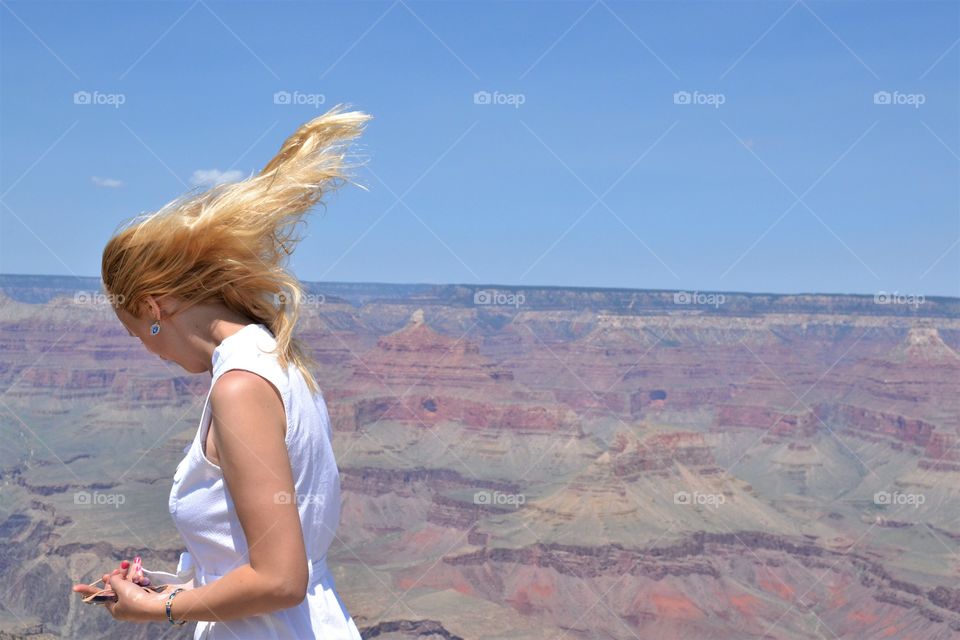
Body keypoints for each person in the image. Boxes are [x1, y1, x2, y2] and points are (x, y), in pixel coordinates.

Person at [72, 104, 371, 639]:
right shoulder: (275, 355)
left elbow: (280, 581)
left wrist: (157, 610)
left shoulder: (239, 388)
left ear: (154, 307)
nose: (150, 352)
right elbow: (258, 560)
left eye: (139, 333)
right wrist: (167, 588)